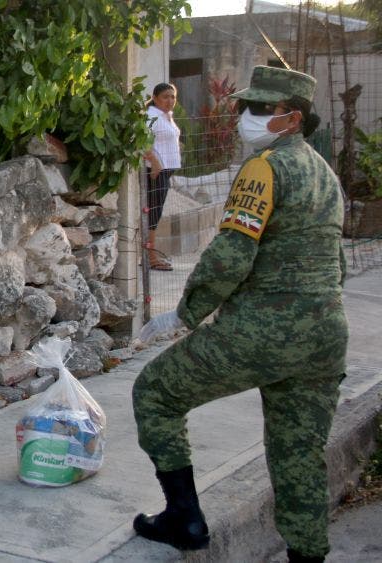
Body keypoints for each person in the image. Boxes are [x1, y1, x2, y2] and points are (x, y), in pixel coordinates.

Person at [130, 65, 347, 563]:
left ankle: (184, 518)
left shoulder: (264, 167)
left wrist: (185, 315)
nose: (246, 115)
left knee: (156, 393)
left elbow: (231, 254)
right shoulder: (323, 172)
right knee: (300, 451)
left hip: (263, 330)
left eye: (260, 109)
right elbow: (332, 259)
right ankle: (308, 554)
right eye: (245, 106)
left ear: (292, 118)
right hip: (326, 335)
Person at [144, 82, 182, 271]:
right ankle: (151, 256)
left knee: (155, 214)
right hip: (155, 172)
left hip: (165, 172)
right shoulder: (151, 116)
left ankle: (151, 253)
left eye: (173, 96)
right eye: (166, 96)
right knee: (153, 214)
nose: (170, 100)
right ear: (156, 97)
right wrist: (155, 162)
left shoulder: (166, 116)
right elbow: (142, 140)